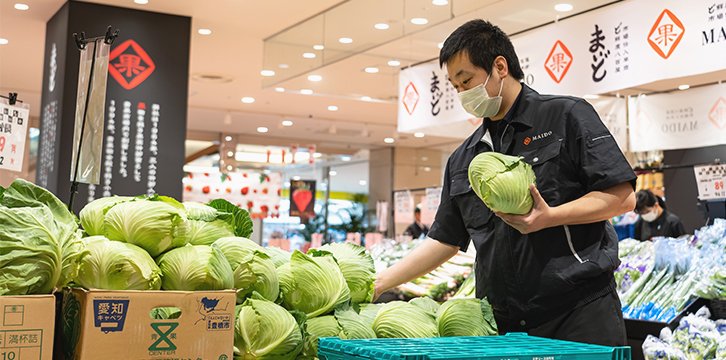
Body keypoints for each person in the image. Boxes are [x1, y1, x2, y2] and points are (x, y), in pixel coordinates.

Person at [374, 20, 636, 346]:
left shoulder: (567, 116)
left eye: (466, 80)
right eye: (455, 87)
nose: (462, 94)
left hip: (578, 314)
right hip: (503, 325)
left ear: (500, 66)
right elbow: (445, 240)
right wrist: (380, 282)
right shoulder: (464, 158)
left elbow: (622, 197)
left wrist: (550, 217)